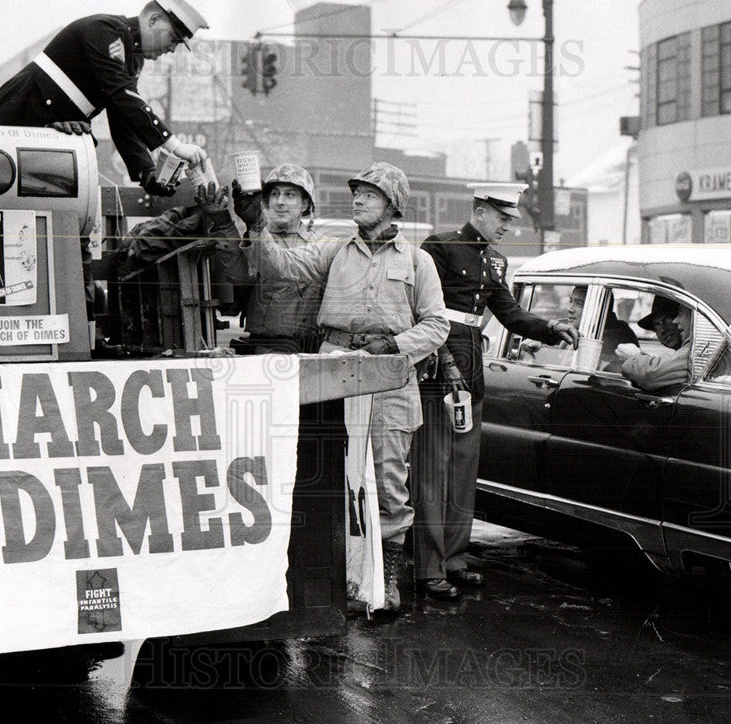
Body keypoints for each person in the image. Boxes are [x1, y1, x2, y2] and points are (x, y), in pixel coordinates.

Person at [227, 162, 449, 612]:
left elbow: (437, 324)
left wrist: (394, 343)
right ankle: (336, 580)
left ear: (392, 205)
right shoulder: (333, 253)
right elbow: (283, 266)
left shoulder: (417, 260)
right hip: (335, 375)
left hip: (389, 377)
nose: (359, 199)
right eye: (358, 193)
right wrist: (255, 222)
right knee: (329, 478)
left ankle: (385, 578)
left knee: (388, 480)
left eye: (370, 194)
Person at [410, 183, 579, 601]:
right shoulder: (441, 247)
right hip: (437, 370)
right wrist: (446, 359)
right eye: (502, 218)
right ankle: (429, 568)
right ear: (480, 211)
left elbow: (510, 313)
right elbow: (423, 311)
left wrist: (551, 328)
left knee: (463, 470)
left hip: (471, 373)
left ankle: (454, 560)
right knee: (433, 468)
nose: (507, 227)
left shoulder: (496, 262)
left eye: (510, 220)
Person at [0, 0, 209, 194]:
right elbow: (121, 94)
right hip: (14, 123)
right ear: (153, 20)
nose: (171, 49)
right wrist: (174, 145)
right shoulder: (105, 31)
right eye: (173, 38)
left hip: (45, 141)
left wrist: (146, 172)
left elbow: (121, 115)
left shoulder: (133, 59)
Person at [215, 164, 324, 354]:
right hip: (265, 350)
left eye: (290, 195)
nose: (280, 202)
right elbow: (239, 277)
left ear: (305, 204)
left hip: (310, 355)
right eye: (274, 194)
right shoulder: (254, 238)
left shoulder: (321, 246)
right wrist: (222, 222)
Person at [619, 295, 692, 390]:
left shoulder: (694, 349)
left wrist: (633, 356)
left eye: (666, 320)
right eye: (656, 325)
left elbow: (651, 374)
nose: (662, 330)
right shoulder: (684, 353)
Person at [566, 286, 639, 371]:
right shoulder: (585, 332)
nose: (570, 309)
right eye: (570, 301)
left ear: (597, 309)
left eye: (579, 304)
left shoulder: (605, 338)